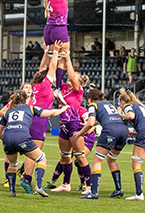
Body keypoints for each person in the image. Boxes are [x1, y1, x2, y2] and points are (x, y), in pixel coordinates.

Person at [0, 90, 70, 197]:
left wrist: (6, 140)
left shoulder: (8, 111)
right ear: (26, 99)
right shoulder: (31, 108)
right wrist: (63, 108)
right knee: (41, 158)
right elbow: (52, 113)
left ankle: (12, 191)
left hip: (7, 137)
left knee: (12, 164)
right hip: (22, 137)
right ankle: (38, 186)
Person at [43, 0, 95, 89]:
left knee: (48, 57)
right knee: (63, 58)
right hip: (59, 29)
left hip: (48, 29)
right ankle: (58, 87)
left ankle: (43, 83)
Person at [18, 41, 62, 194]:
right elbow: (52, 68)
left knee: (32, 151)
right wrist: (55, 52)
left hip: (30, 120)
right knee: (35, 152)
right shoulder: (44, 86)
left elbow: (42, 68)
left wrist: (46, 52)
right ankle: (27, 180)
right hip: (38, 121)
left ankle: (24, 175)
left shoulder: (35, 85)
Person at [45, 52, 91, 193]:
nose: (71, 78)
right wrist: (60, 57)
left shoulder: (78, 90)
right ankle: (66, 184)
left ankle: (89, 187)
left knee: (80, 157)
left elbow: (71, 76)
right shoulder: (63, 88)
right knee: (65, 157)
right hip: (63, 125)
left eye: (75, 78)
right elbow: (58, 75)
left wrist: (69, 58)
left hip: (74, 125)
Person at [73, 88, 129, 199]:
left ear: (89, 99)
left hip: (111, 131)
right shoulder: (108, 103)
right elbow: (105, 118)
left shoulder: (93, 105)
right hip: (123, 130)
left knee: (97, 161)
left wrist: (79, 133)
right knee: (112, 160)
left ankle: (93, 192)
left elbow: (90, 122)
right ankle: (118, 189)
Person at [0, 83, 34, 187]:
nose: (28, 90)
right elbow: (2, 112)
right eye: (26, 88)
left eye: (30, 88)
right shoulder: (14, 102)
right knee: (11, 157)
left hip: (26, 131)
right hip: (13, 130)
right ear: (22, 90)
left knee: (30, 155)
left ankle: (23, 174)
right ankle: (7, 179)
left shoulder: (33, 102)